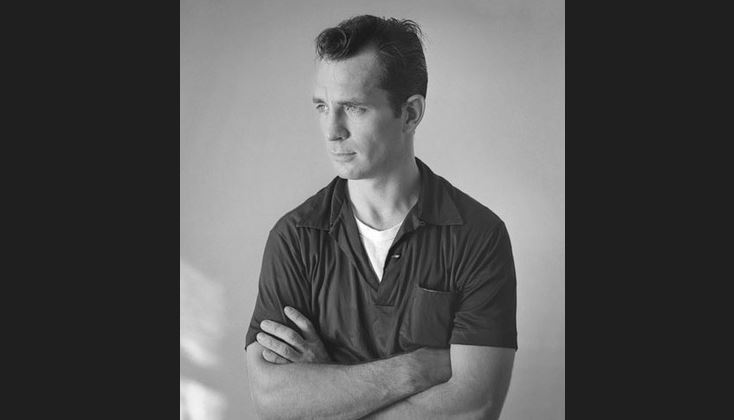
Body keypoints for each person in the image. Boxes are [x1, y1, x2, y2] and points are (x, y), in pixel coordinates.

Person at [244, 15, 517, 420]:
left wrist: (326, 387)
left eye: (354, 108)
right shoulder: (295, 238)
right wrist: (417, 369)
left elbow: (474, 407)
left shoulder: (478, 235)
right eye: (322, 106)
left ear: (410, 113)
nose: (331, 130)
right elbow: (272, 399)